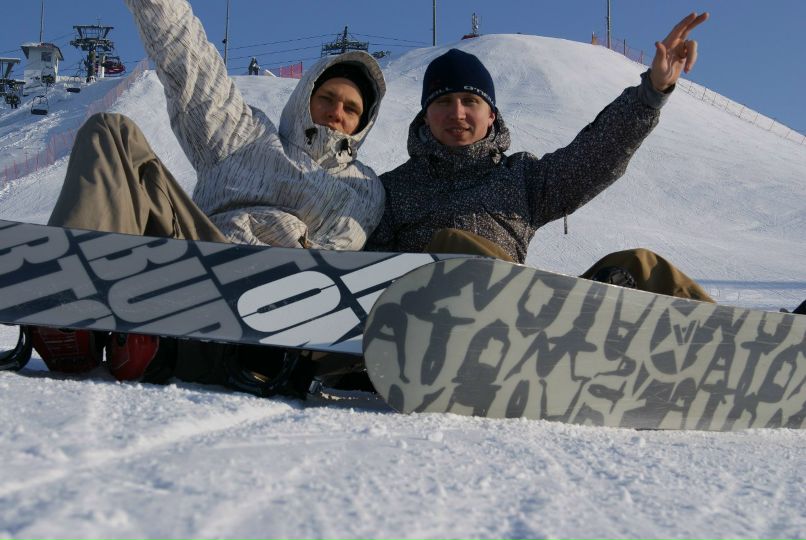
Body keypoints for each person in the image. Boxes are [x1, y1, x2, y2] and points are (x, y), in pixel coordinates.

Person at [26, 0, 386, 398]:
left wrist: (285, 236)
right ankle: (70, 314)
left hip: (276, 293)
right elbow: (190, 63)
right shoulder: (246, 137)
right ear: (305, 97)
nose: (337, 112)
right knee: (111, 132)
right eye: (328, 97)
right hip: (199, 260)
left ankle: (157, 338)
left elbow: (335, 265)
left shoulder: (363, 189)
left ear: (362, 123)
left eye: (351, 108)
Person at [367, 13, 715, 303]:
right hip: (427, 330)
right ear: (426, 115)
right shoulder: (392, 190)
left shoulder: (521, 177)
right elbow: (362, 277)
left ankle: (742, 349)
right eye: (443, 102)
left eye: (470, 101)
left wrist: (652, 92)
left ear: (491, 115)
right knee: (454, 244)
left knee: (641, 267)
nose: (457, 113)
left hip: (527, 329)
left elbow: (594, 155)